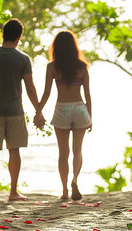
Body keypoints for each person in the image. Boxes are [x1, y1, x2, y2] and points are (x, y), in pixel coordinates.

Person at [0, 18, 44, 204]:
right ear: (19, 37)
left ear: (3, 33)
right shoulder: (23, 59)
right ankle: (13, 192)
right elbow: (30, 88)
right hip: (16, 111)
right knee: (14, 150)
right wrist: (38, 110)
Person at [37, 30, 92, 201]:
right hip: (80, 109)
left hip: (62, 109)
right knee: (78, 151)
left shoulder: (52, 67)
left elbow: (46, 92)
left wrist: (38, 111)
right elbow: (88, 95)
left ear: (57, 47)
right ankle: (75, 180)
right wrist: (90, 116)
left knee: (63, 153)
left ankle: (64, 191)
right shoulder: (82, 67)